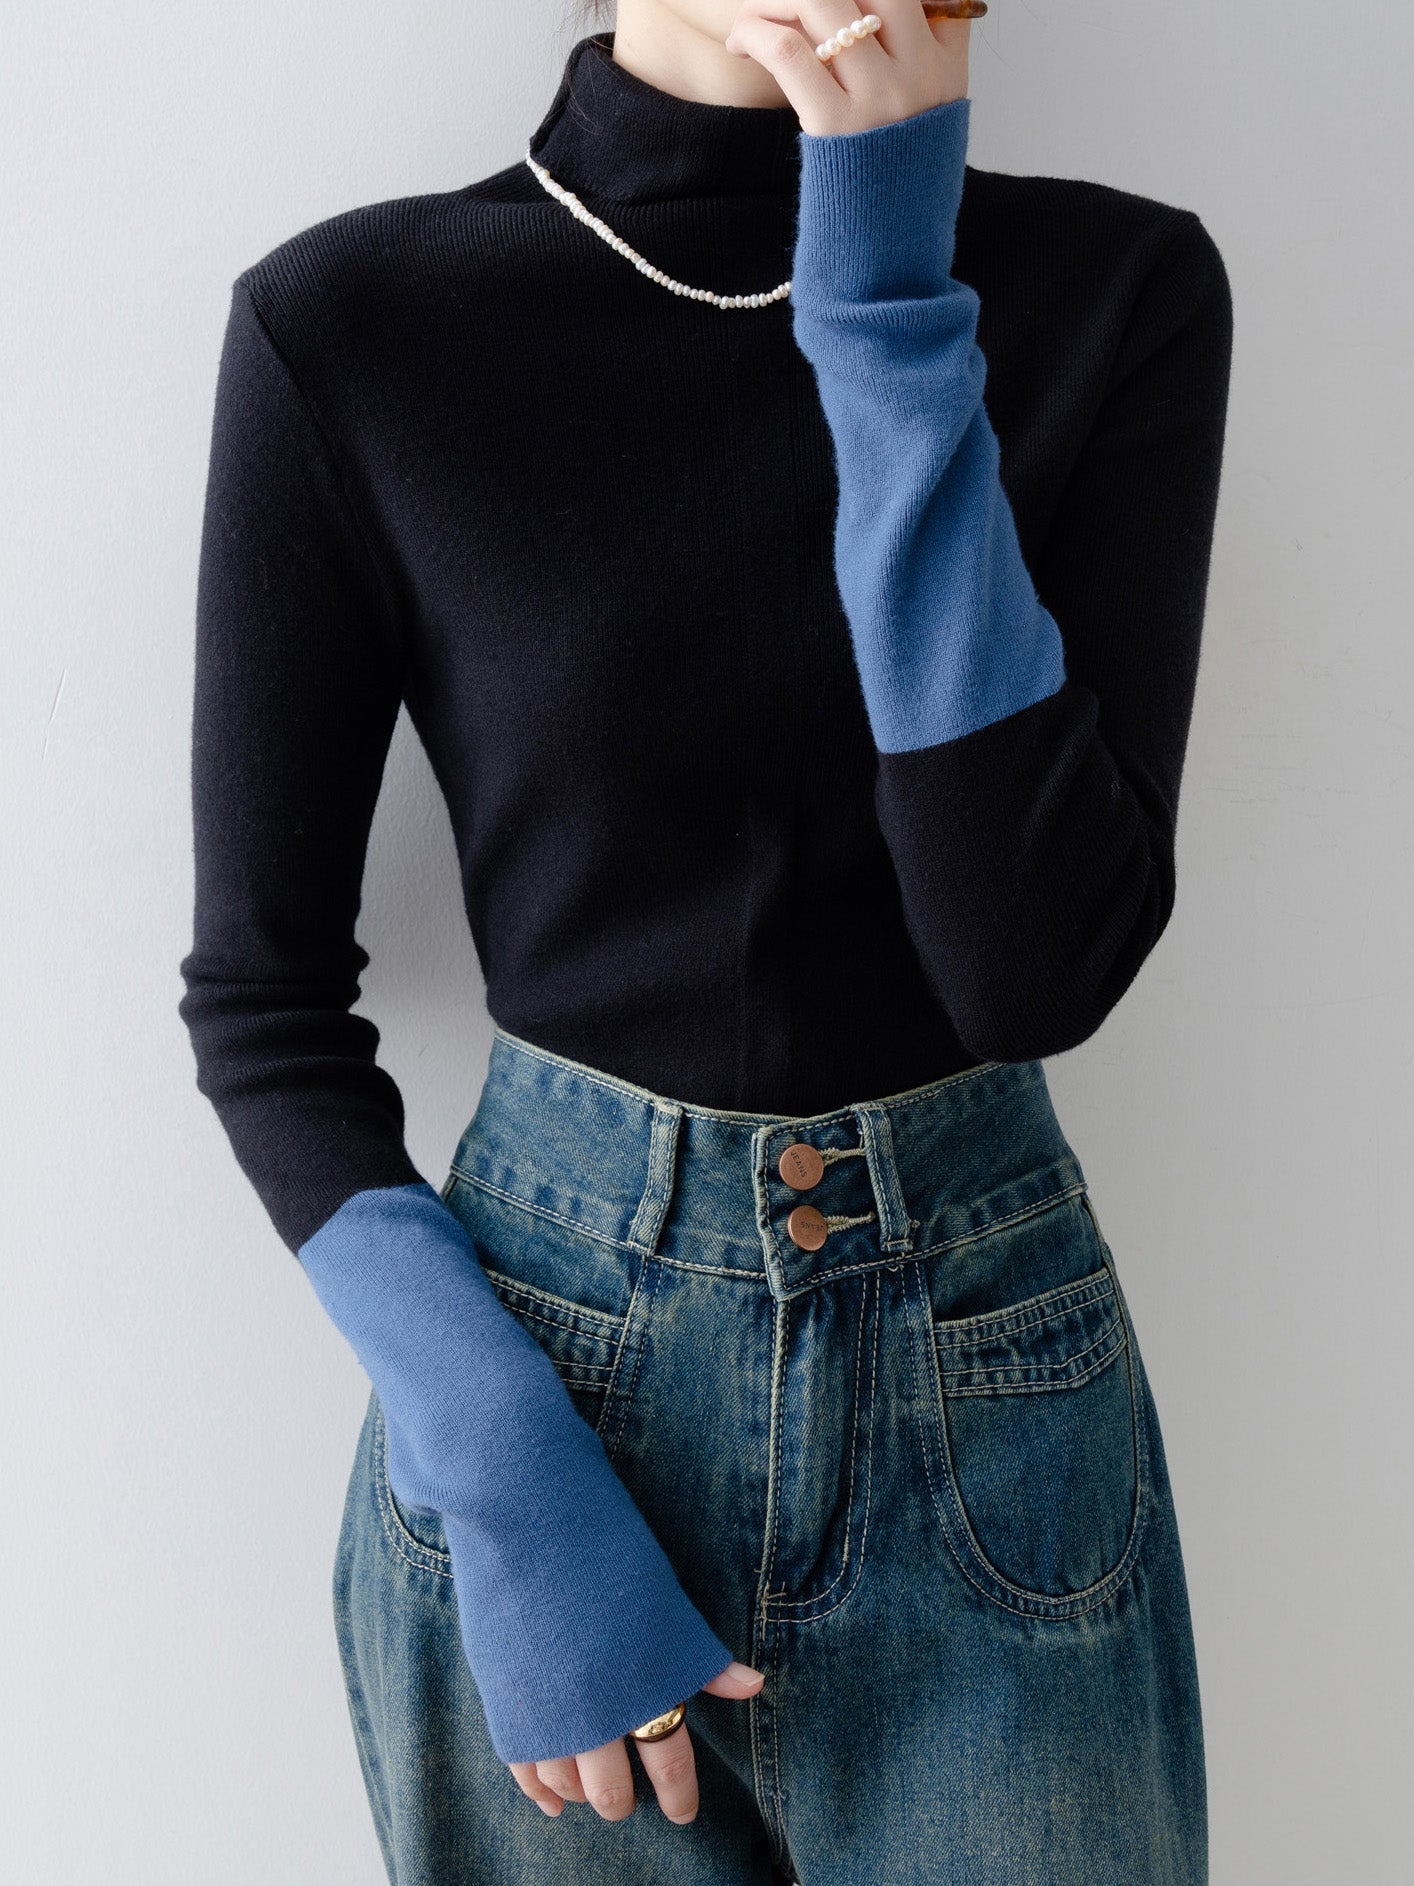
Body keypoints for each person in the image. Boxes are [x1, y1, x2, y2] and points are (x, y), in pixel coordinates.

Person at [178, 2, 1233, 1879]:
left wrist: (887, 305)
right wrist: (511, 1486)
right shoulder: (352, 323)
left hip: (986, 1394)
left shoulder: (1111, 288)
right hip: (539, 1392)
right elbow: (264, 1006)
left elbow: (1027, 969)